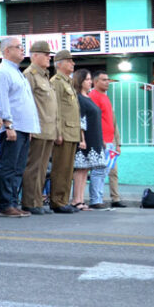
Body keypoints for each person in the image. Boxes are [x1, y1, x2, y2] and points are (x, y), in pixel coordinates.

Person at [0, 37, 39, 218]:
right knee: (9, 167)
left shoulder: (17, 72)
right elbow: (1, 100)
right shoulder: (2, 72)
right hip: (13, 127)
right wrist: (8, 124)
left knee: (19, 168)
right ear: (6, 51)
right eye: (18, 47)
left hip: (24, 127)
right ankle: (6, 204)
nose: (22, 50)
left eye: (22, 47)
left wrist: (31, 128)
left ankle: (13, 201)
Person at [20, 41, 58, 215]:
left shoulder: (44, 76)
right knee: (33, 167)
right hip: (37, 127)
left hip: (48, 128)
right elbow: (27, 103)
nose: (49, 57)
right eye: (45, 54)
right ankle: (30, 202)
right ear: (34, 55)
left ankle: (37, 201)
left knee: (42, 169)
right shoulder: (30, 74)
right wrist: (30, 128)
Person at [48, 50, 80, 213]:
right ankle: (57, 201)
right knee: (60, 169)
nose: (72, 63)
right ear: (59, 64)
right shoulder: (56, 82)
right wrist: (57, 132)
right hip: (64, 132)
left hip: (72, 131)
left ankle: (64, 199)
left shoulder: (68, 82)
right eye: (69, 61)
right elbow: (56, 109)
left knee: (68, 169)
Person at [89, 71, 126, 208]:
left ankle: (114, 199)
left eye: (108, 80)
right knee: (99, 171)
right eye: (104, 80)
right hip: (102, 141)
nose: (107, 82)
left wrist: (118, 143)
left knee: (111, 171)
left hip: (111, 141)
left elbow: (113, 122)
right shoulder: (93, 96)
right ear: (95, 82)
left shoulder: (106, 97)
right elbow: (94, 120)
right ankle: (96, 200)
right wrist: (100, 139)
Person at [72, 69, 107, 211]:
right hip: (86, 138)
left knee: (85, 169)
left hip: (95, 137)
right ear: (80, 81)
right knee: (80, 169)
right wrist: (82, 139)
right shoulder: (79, 98)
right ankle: (76, 200)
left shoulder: (88, 97)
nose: (90, 82)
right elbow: (80, 120)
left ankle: (80, 199)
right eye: (87, 79)